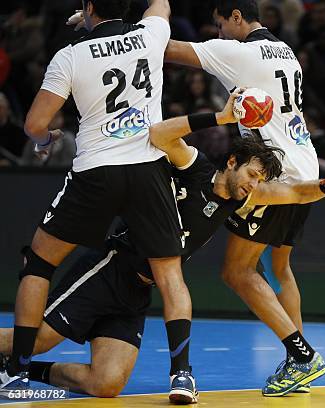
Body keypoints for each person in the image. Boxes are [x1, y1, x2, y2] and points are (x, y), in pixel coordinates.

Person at [0, 91, 325, 399]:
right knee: (36, 340)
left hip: (136, 293)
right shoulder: (196, 167)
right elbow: (160, 133)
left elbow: (297, 192)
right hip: (111, 269)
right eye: (252, 175)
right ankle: (17, 357)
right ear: (233, 161)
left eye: (260, 181)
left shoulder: (243, 198)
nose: (254, 185)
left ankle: (24, 372)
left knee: (107, 383)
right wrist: (220, 117)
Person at [3, 0, 197, 404]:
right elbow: (160, 4)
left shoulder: (70, 55)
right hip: (148, 167)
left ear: (89, 7)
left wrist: (45, 142)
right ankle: (182, 377)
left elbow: (36, 124)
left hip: (97, 169)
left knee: (39, 262)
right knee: (169, 275)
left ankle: (17, 372)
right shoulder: (149, 34)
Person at [164, 0, 325, 396]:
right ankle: (297, 367)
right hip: (304, 170)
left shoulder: (237, 52)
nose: (218, 33)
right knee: (281, 268)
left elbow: (165, 48)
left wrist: (100, 27)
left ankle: (302, 356)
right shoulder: (285, 51)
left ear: (236, 16)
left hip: (272, 177)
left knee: (237, 272)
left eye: (220, 24)